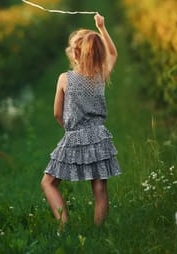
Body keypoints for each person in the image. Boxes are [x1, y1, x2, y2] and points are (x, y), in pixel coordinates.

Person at [41, 13, 121, 228]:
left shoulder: (65, 79)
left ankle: (63, 226)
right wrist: (102, 27)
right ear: (97, 55)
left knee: (49, 182)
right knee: (100, 189)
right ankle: (98, 232)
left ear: (75, 54)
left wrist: (69, 129)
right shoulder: (101, 75)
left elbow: (57, 113)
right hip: (99, 136)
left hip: (74, 136)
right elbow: (113, 53)